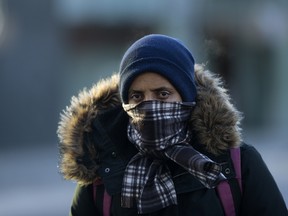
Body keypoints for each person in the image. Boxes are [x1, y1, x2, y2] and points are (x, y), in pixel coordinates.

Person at [57, 34, 287, 216]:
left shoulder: (236, 165)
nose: (149, 105)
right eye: (137, 96)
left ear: (187, 96)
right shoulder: (103, 170)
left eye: (163, 93)